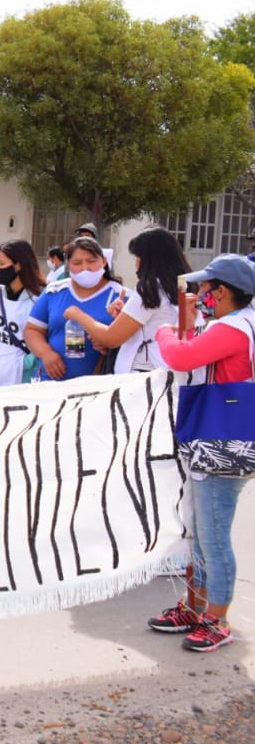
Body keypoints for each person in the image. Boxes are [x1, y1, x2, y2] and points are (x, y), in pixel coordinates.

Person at [146, 253, 255, 652]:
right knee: (200, 531)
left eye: (205, 289)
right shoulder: (238, 323)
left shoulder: (234, 328)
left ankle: (217, 618)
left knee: (211, 534)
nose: (199, 294)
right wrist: (186, 328)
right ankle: (196, 606)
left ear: (222, 292)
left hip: (222, 443)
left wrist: (165, 332)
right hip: (222, 437)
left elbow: (179, 356)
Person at [63, 227, 189, 374]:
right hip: (169, 369)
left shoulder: (149, 290)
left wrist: (78, 315)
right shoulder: (180, 285)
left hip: (144, 372)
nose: (136, 264)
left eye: (138, 257)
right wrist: (125, 315)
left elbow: (111, 337)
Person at [24, 237, 121, 381]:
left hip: (99, 389)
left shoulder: (120, 296)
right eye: (77, 263)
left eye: (92, 261)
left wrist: (109, 346)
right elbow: (32, 330)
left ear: (104, 261)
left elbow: (130, 341)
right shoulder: (54, 291)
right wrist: (46, 353)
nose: (85, 268)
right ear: (68, 265)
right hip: (51, 384)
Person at [0, 240, 45, 387]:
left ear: (18, 265)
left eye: (1, 264)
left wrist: (25, 364)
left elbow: (43, 337)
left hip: (19, 378)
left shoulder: (39, 299)